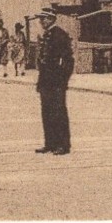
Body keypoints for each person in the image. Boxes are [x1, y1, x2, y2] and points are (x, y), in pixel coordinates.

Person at [34, 8, 74, 156]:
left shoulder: (59, 35)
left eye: (44, 19)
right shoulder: (47, 35)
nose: (41, 22)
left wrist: (62, 80)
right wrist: (40, 82)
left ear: (51, 19)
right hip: (46, 81)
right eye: (40, 19)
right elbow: (43, 63)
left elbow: (67, 60)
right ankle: (50, 143)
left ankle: (63, 145)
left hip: (56, 82)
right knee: (47, 112)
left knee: (58, 113)